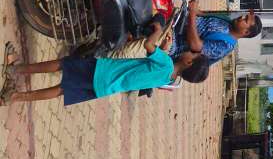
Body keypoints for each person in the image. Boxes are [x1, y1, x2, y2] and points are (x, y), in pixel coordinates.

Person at [2, 23, 209, 107]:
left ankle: (15, 69)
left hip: (103, 70)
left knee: (62, 65)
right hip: (105, 87)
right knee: (62, 90)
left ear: (189, 61)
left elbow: (147, 45)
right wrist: (163, 49)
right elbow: (150, 68)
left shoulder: (166, 63)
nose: (189, 50)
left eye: (192, 53)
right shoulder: (167, 78)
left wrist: (157, 31)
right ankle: (14, 97)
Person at [168, 0, 262, 66]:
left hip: (173, 41)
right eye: (244, 16)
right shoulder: (227, 21)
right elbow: (202, 15)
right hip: (176, 22)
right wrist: (195, 8)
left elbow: (195, 45)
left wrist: (192, 14)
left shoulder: (225, 45)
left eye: (245, 20)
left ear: (246, 32)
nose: (241, 17)